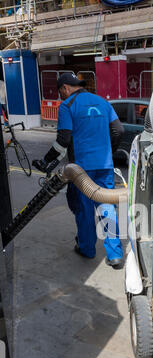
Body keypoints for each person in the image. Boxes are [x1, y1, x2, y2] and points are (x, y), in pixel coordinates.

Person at [32, 73, 124, 267]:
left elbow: (63, 140)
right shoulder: (103, 102)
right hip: (105, 165)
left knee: (84, 209)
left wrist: (46, 160)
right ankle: (115, 254)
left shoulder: (67, 106)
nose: (61, 96)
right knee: (107, 206)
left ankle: (87, 249)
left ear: (65, 88)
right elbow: (118, 130)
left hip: (81, 169)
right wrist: (109, 153)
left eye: (60, 92)